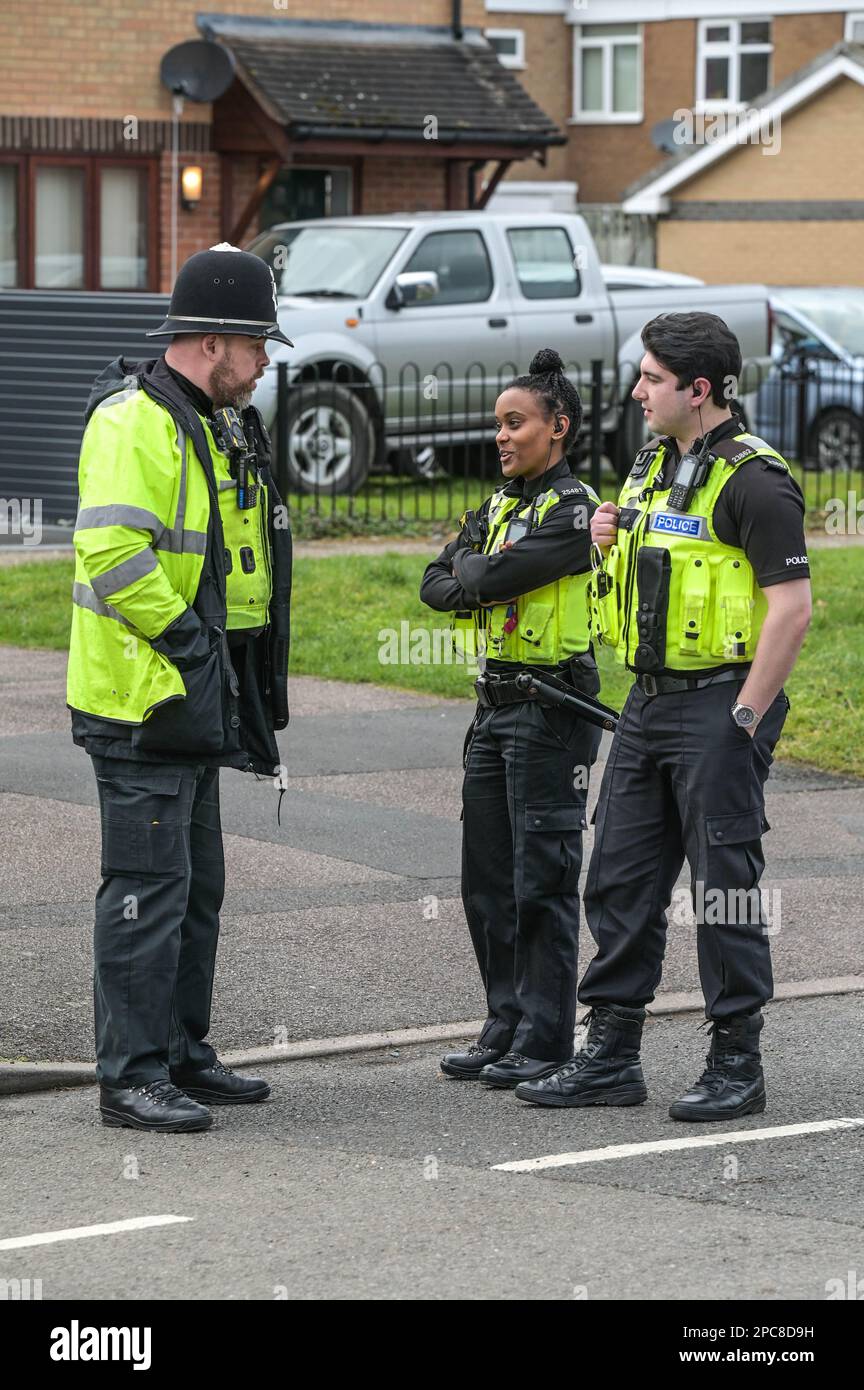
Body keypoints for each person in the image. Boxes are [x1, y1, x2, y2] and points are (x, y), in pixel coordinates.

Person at [516, 312, 812, 1121]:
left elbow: (792, 610)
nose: (638, 390)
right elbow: (661, 564)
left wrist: (747, 717)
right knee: (618, 878)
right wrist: (612, 531)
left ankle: (735, 1063)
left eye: (651, 378)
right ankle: (610, 1056)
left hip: (721, 705)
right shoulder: (651, 461)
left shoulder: (757, 480)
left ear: (699, 388)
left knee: (722, 888)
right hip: (646, 702)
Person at [66, 243, 293, 1132]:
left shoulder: (209, 419)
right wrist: (195, 645)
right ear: (215, 340)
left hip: (189, 697)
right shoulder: (137, 422)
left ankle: (181, 1054)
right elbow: (114, 555)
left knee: (192, 889)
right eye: (260, 341)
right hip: (142, 700)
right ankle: (130, 1076)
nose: (268, 358)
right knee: (144, 890)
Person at [420, 348, 602, 1089]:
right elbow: (436, 584)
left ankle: (546, 1037)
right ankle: (504, 1022)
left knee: (542, 880)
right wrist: (477, 573)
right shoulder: (495, 508)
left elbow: (488, 575)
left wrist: (477, 573)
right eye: (498, 423)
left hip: (553, 708)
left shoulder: (575, 510)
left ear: (556, 428)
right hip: (494, 708)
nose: (501, 435)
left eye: (515, 422)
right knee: (487, 880)